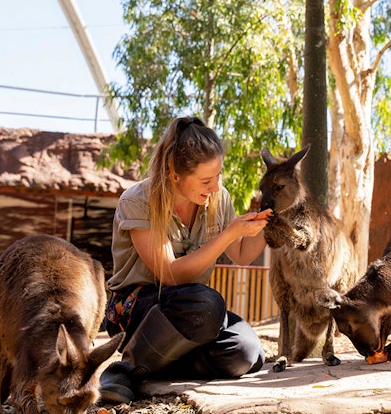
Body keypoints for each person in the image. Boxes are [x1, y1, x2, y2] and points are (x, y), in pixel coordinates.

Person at [99, 116, 270, 405]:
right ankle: (124, 369)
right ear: (175, 174)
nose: (215, 187)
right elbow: (170, 275)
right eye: (206, 180)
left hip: (192, 313)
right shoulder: (138, 200)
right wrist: (229, 234)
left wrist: (270, 225)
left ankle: (156, 366)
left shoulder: (217, 198)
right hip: (140, 310)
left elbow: (242, 254)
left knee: (247, 352)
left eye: (218, 176)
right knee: (207, 304)